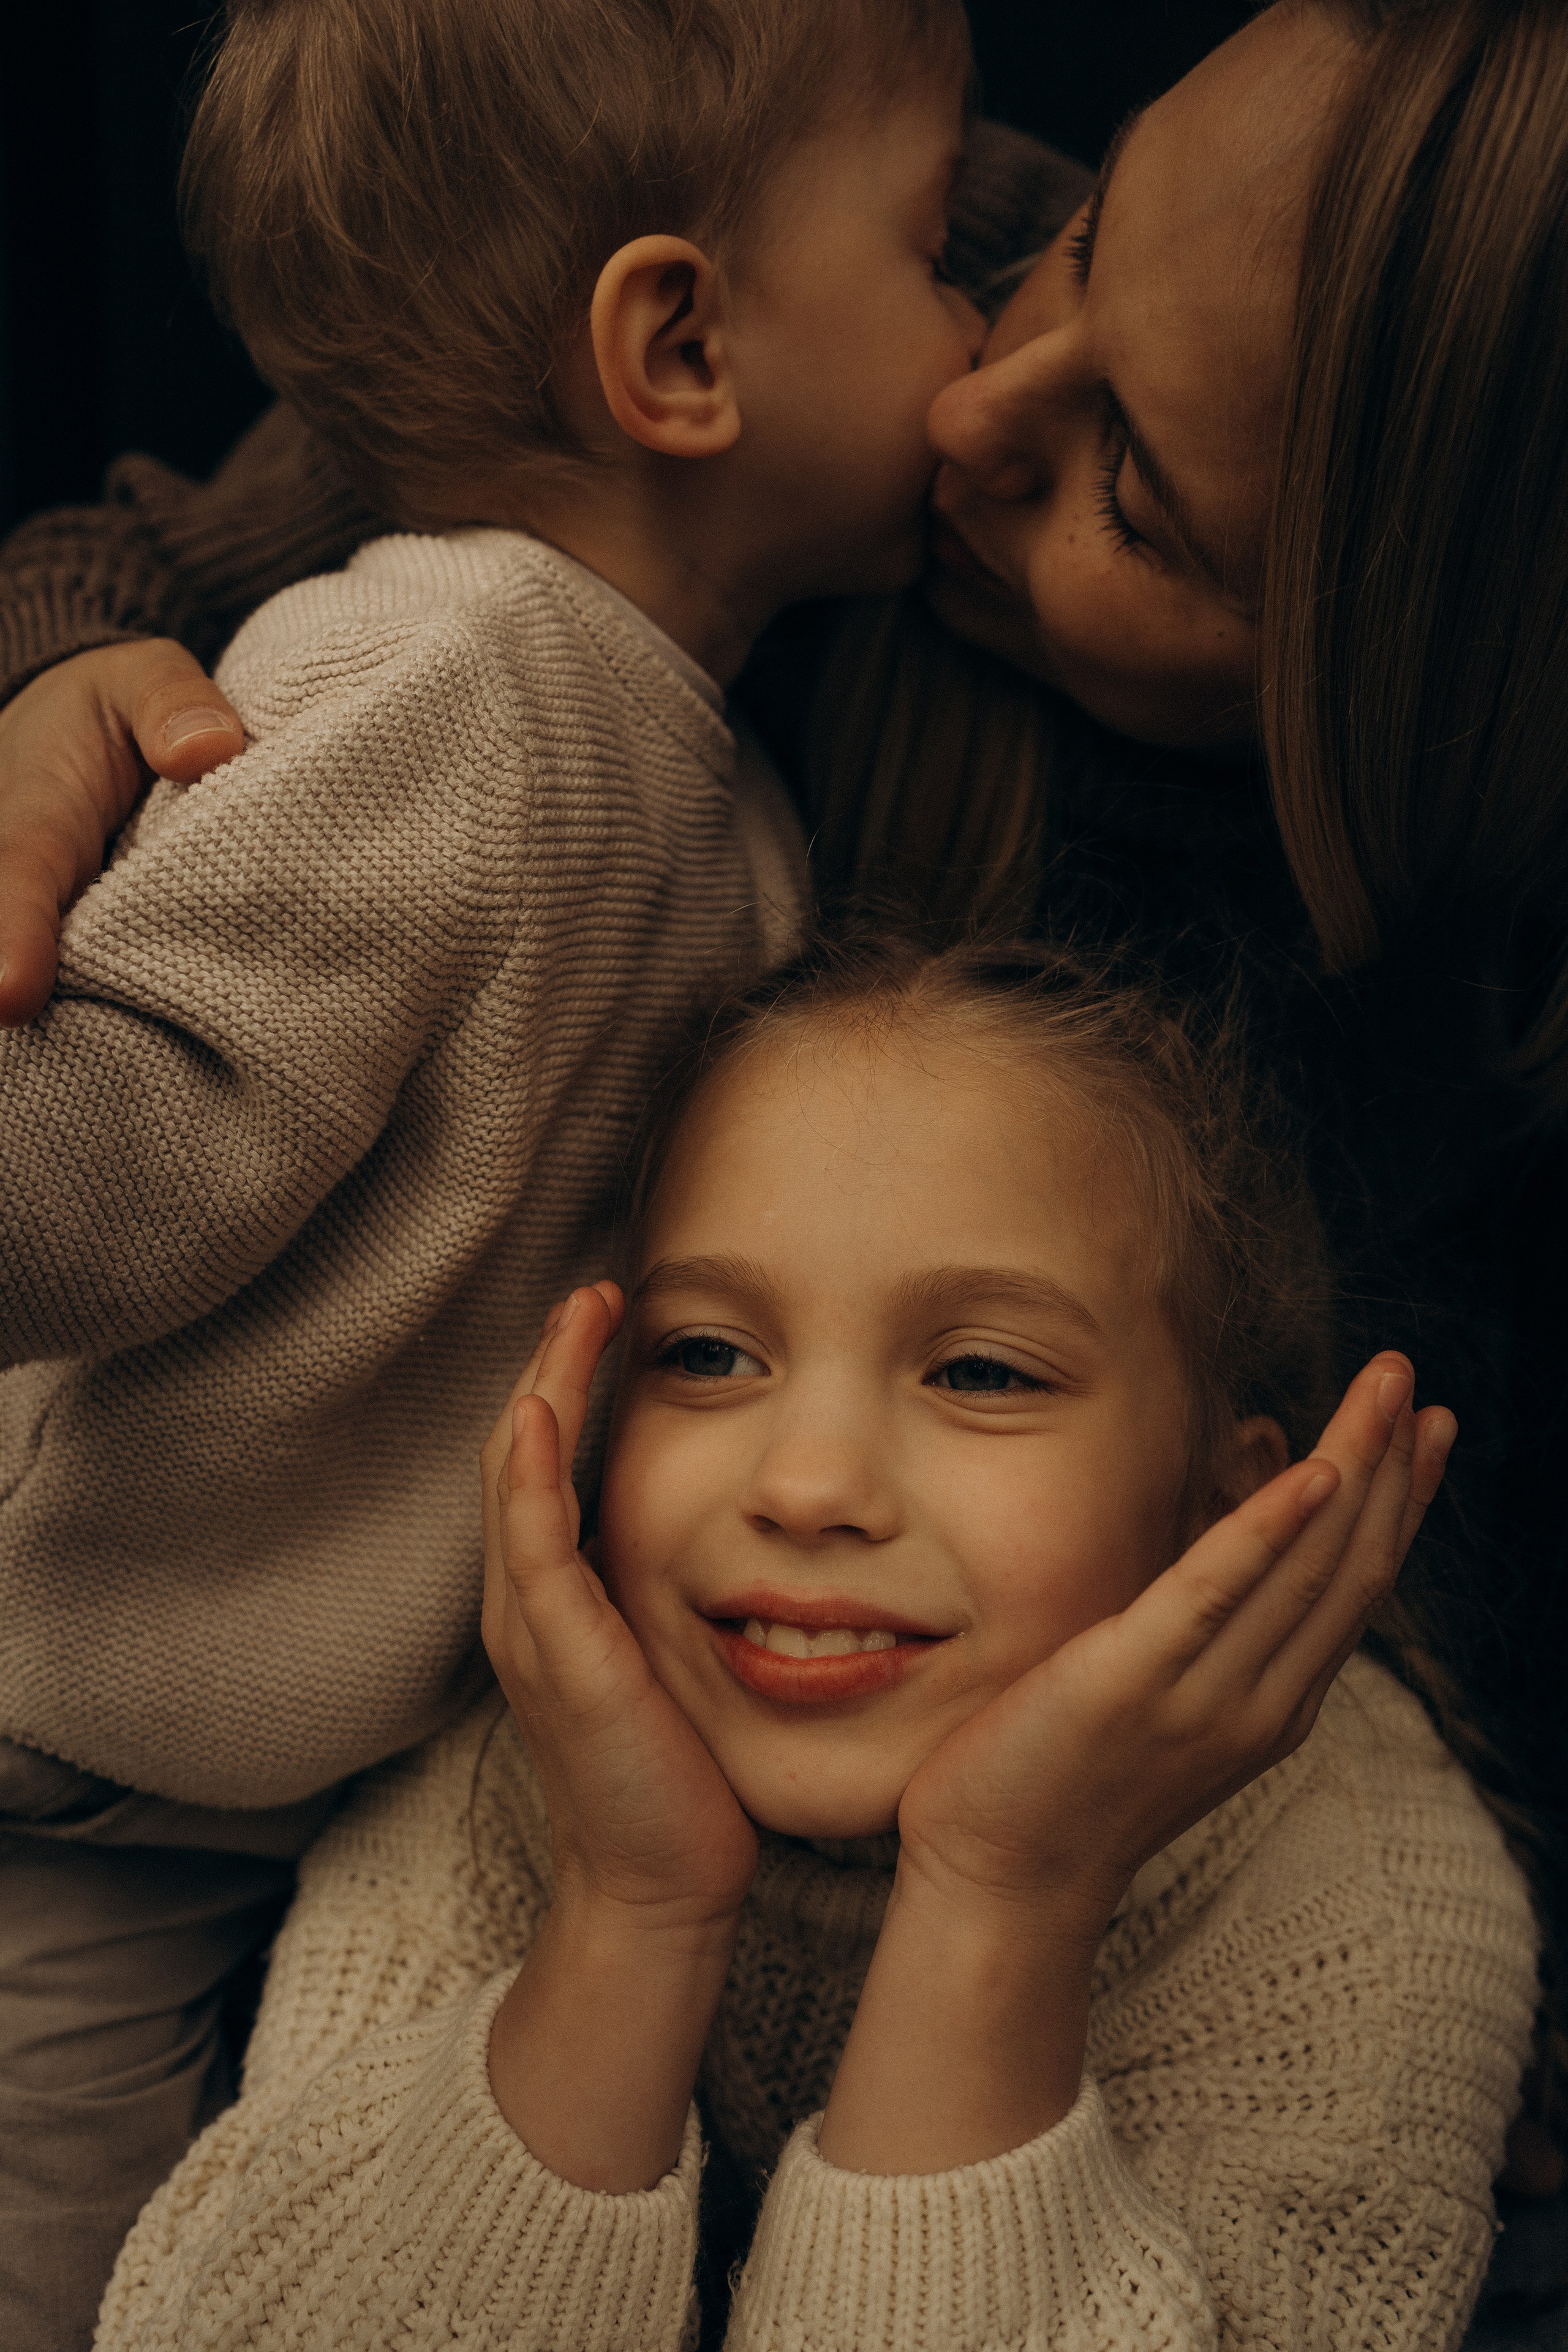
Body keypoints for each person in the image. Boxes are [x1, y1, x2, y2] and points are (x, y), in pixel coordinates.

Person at [0, 0, 1005, 2340]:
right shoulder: (455, 680)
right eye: (945, 251)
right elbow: (113, 1146)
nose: (978, 344)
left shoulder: (699, 775)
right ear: (676, 344)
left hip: (274, 1779)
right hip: (73, 1767)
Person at [93, 931, 1533, 2351]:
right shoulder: (529, 1766)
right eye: (708, 1354)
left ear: (1222, 1504)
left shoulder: (1353, 1884)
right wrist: (630, 1912)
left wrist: (1002, 1904)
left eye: (979, 1372)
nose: (806, 1486)